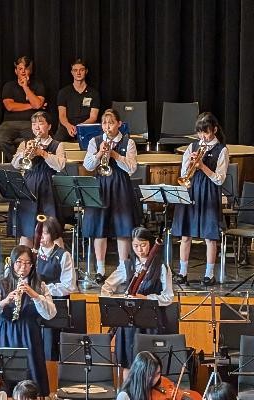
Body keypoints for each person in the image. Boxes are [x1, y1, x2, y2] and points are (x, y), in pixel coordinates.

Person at [0, 245, 56, 397]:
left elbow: (50, 313)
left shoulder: (40, 286)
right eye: (19, 262)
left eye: (27, 263)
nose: (23, 267)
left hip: (29, 336)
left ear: (32, 265)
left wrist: (34, 295)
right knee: (2, 381)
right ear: (12, 263)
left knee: (30, 380)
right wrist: (5, 301)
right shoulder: (0, 284)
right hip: (4, 335)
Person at [101, 227, 173, 374]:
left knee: (149, 366)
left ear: (151, 244)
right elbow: (107, 287)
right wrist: (118, 301)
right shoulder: (127, 265)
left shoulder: (162, 267)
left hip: (150, 321)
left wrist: (146, 298)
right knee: (126, 362)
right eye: (135, 246)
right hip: (128, 321)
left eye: (143, 245)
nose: (140, 250)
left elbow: (168, 297)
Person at [171, 112, 229, 286]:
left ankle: (209, 274)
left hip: (209, 192)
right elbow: (183, 175)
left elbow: (219, 179)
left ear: (215, 130)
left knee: (210, 237)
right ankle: (182, 272)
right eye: (200, 133)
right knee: (186, 234)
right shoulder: (192, 147)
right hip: (191, 190)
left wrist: (202, 166)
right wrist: (190, 165)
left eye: (206, 132)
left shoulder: (222, 150)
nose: (202, 136)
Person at [82, 109, 138, 283]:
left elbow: (131, 168)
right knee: (99, 229)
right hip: (101, 185)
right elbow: (88, 166)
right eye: (104, 123)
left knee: (123, 229)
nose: (107, 127)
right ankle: (100, 268)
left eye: (111, 122)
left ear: (119, 124)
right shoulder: (95, 141)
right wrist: (99, 153)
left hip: (121, 185)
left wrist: (115, 155)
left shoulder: (128, 142)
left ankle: (123, 268)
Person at [9, 111, 66, 247]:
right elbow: (15, 164)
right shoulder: (26, 144)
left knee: (52, 232)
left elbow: (60, 165)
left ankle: (59, 263)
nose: (37, 127)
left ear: (49, 126)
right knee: (26, 231)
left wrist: (43, 153)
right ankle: (27, 263)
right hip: (29, 187)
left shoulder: (57, 145)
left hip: (48, 188)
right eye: (34, 124)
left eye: (41, 123)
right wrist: (24, 152)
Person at [34, 217, 77, 361]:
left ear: (53, 234)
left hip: (55, 307)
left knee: (51, 346)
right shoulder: (32, 254)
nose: (41, 237)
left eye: (45, 233)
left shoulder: (63, 255)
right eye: (39, 233)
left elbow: (69, 286)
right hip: (34, 306)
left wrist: (43, 290)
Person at [0, 57, 45, 162]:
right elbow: (10, 106)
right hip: (9, 123)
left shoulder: (38, 85)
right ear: (15, 71)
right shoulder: (9, 86)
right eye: (20, 68)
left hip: (30, 123)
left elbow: (37, 104)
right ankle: (18, 161)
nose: (23, 71)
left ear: (30, 70)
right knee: (0, 138)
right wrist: (32, 106)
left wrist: (25, 87)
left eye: (25, 69)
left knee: (36, 141)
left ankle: (29, 164)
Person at [54, 58, 100, 142]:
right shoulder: (64, 92)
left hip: (86, 127)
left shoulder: (94, 93)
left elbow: (93, 117)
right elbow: (62, 115)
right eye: (75, 70)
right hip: (67, 126)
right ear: (72, 72)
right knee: (56, 144)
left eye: (81, 70)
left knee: (94, 144)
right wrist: (68, 126)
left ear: (86, 71)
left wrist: (79, 127)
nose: (78, 73)